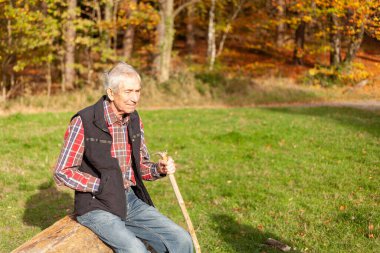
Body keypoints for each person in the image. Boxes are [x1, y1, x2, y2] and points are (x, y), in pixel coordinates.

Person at [53, 62, 194, 253]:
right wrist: (102, 186)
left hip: (130, 200)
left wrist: (158, 169)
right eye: (128, 92)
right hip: (96, 205)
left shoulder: (134, 120)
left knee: (182, 240)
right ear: (111, 93)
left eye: (137, 91)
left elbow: (141, 167)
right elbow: (63, 172)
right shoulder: (84, 121)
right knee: (136, 250)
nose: (135, 98)